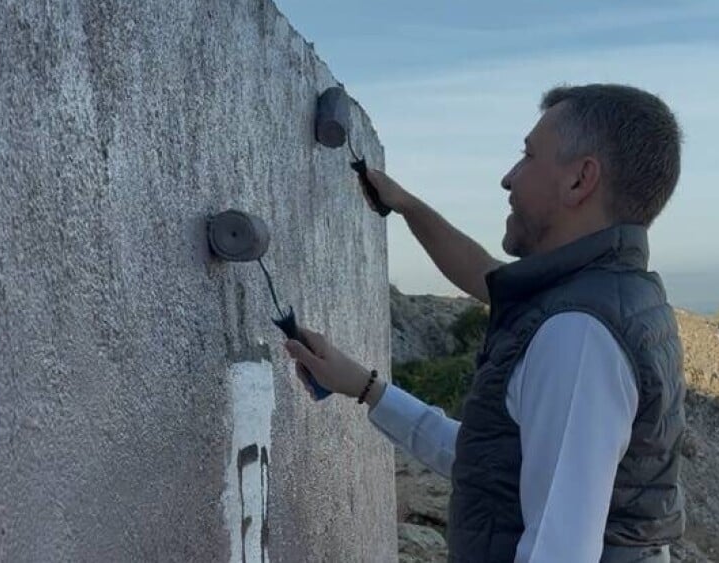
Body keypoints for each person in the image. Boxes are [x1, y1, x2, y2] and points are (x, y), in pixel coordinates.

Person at [284, 84, 686, 563]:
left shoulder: (577, 333)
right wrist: (368, 388)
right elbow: (495, 462)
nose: (508, 178)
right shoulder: (608, 293)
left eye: (528, 155)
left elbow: (559, 551)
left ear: (580, 180)